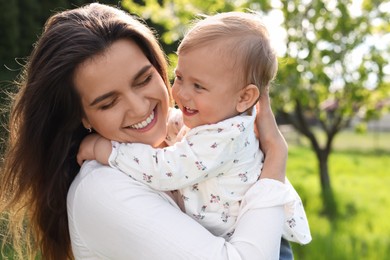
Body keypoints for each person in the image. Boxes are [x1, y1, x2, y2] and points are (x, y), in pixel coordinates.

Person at [0, 3, 295, 260]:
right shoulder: (103, 189)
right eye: (109, 102)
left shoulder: (183, 136)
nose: (140, 108)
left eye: (143, 80)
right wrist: (276, 157)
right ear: (82, 116)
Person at [78, 11, 311, 243]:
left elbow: (164, 170)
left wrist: (104, 149)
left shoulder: (224, 136)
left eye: (198, 86)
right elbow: (176, 123)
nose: (181, 93)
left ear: (244, 97)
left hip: (265, 245)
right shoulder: (219, 119)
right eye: (179, 78)